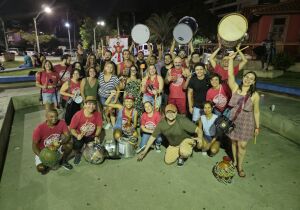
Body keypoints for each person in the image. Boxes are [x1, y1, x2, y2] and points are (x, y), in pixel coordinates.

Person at [227, 51, 260, 178]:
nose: (248, 79)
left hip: (246, 122)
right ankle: (235, 161)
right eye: (247, 77)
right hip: (234, 120)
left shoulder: (255, 95)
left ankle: (240, 166)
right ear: (243, 77)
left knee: (243, 145)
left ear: (253, 82)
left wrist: (257, 127)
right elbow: (230, 75)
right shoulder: (236, 88)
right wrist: (231, 59)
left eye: (251, 79)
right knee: (234, 142)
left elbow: (256, 112)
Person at [137, 104, 203, 166]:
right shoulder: (162, 124)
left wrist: (200, 138)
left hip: (186, 140)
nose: (170, 114)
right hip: (174, 145)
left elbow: (198, 130)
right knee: (168, 161)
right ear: (165, 114)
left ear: (176, 113)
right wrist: (145, 151)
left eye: (173, 112)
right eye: (168, 112)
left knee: (184, 152)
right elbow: (152, 137)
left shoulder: (182, 120)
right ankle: (179, 150)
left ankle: (182, 156)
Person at [32, 109, 73, 174]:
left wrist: (60, 143)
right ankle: (49, 163)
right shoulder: (39, 129)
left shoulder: (62, 122)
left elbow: (67, 136)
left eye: (56, 116)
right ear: (46, 117)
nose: (54, 118)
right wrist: (43, 157)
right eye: (51, 116)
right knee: (41, 168)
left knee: (69, 145)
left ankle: (63, 161)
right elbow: (34, 146)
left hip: (56, 147)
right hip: (44, 151)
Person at [69, 96, 103, 165]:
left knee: (97, 148)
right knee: (78, 144)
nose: (91, 106)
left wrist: (96, 136)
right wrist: (77, 135)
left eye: (93, 104)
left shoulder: (98, 114)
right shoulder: (78, 115)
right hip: (80, 135)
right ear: (85, 104)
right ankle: (77, 154)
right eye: (89, 104)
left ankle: (87, 147)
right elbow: (71, 129)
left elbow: (99, 127)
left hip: (91, 135)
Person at [98, 62, 120, 129]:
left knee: (111, 111)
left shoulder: (114, 78)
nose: (109, 68)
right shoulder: (101, 75)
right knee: (106, 111)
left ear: (113, 69)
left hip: (111, 97)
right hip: (102, 96)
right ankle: (108, 123)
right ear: (105, 67)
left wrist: (115, 99)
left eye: (111, 67)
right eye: (108, 67)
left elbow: (118, 90)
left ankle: (113, 126)